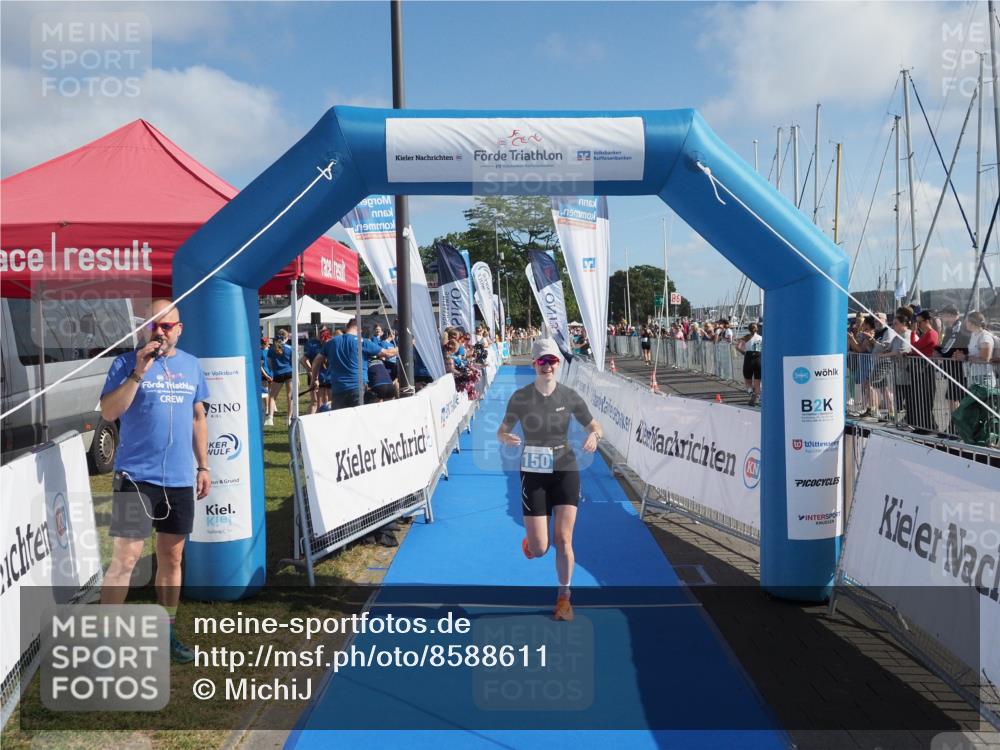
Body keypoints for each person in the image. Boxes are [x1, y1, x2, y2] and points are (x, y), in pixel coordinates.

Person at [98, 299, 210, 664]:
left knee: (172, 556)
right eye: (154, 326)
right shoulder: (125, 363)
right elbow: (110, 412)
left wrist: (203, 466)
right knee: (126, 559)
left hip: (178, 479)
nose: (160, 333)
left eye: (167, 326)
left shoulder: (192, 365)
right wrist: (138, 372)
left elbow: (197, 418)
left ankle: (166, 632)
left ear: (180, 328)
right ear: (144, 329)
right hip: (135, 478)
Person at [496, 339, 603, 623]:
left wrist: (594, 435)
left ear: (558, 364)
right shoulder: (520, 397)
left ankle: (564, 597)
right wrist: (505, 437)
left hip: (566, 468)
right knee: (542, 548)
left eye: (552, 361)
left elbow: (594, 425)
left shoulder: (569, 396)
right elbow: (501, 430)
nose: (547, 366)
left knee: (564, 538)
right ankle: (531, 543)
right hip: (533, 473)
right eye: (542, 361)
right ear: (534, 364)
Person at [311, 318, 396, 409]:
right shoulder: (362, 342)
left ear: (347, 327)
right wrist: (405, 345)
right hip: (357, 387)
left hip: (338, 388)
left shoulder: (332, 342)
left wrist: (314, 379)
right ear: (360, 329)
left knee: (341, 418)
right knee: (357, 418)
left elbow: (316, 361)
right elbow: (387, 353)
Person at [266, 329, 294, 426]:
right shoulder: (290, 348)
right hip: (289, 373)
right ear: (286, 338)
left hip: (277, 374)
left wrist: (274, 370)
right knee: (290, 396)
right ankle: (289, 418)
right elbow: (293, 363)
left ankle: (270, 418)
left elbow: (269, 364)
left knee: (272, 396)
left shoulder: (271, 349)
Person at [962, 311, 997, 388]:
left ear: (972, 322)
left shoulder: (985, 336)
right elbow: (973, 354)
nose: (965, 323)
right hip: (973, 376)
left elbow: (985, 359)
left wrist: (965, 357)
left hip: (984, 378)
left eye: (967, 321)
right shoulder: (974, 335)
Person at [736, 322, 763, 406]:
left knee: (747, 380)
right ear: (757, 329)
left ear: (748, 329)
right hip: (758, 358)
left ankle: (751, 393)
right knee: (757, 382)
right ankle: (758, 398)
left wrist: (743, 352)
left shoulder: (746, 337)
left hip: (749, 358)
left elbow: (737, 347)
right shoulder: (761, 338)